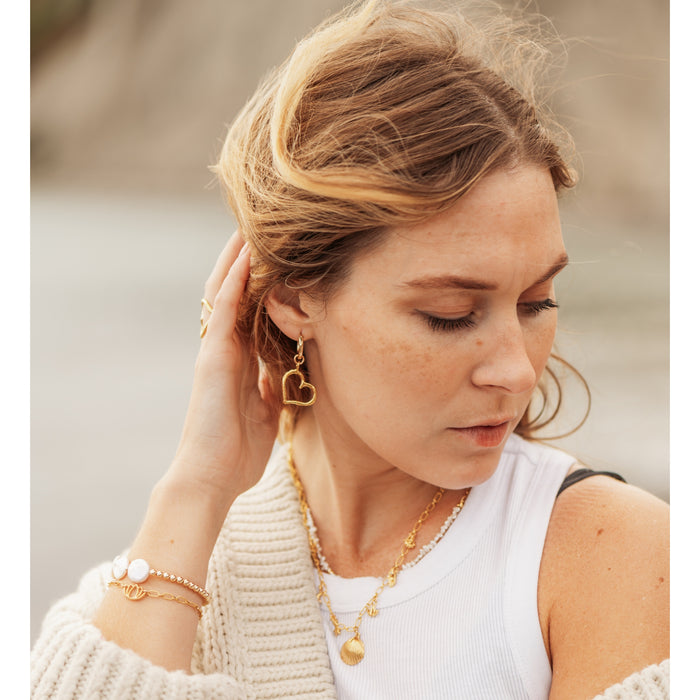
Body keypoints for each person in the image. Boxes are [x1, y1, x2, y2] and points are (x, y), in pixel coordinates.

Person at [31, 0, 669, 698]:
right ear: (295, 298)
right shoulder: (175, 575)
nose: (517, 369)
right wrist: (196, 484)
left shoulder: (609, 555)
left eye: (536, 302)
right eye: (450, 314)